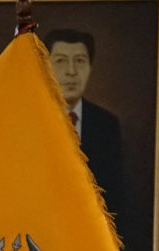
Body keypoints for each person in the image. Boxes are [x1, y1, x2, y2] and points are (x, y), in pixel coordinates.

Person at [44, 29, 124, 227]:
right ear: (46, 67)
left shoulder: (107, 125)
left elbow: (116, 197)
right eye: (61, 61)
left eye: (79, 61)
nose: (71, 71)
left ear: (90, 67)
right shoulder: (29, 121)